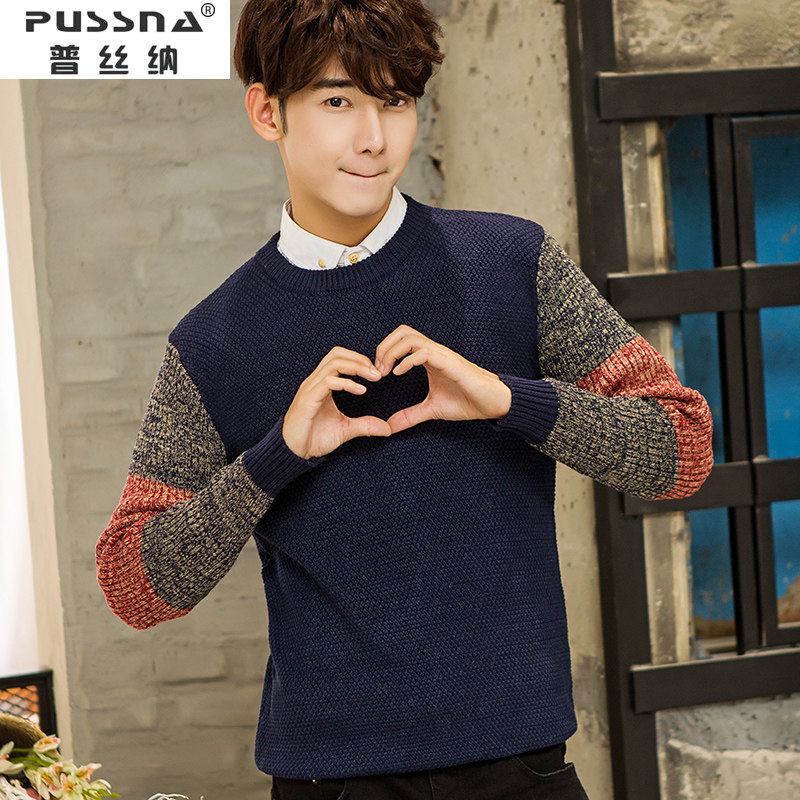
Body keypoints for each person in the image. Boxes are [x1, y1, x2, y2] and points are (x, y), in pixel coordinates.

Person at [96, 1, 714, 798]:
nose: (374, 138)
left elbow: (682, 448)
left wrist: (510, 399)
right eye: (337, 100)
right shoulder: (214, 340)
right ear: (266, 112)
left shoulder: (510, 261)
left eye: (394, 101)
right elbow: (135, 584)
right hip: (330, 781)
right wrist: (274, 459)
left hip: (519, 766)